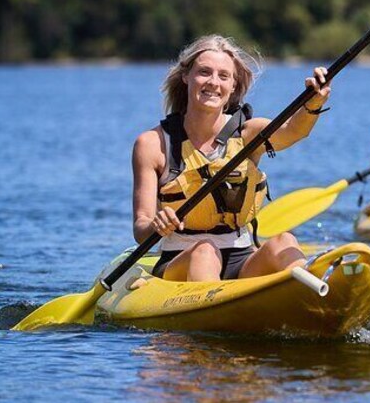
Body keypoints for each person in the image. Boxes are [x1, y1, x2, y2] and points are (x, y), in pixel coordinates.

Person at [132, 35, 331, 282]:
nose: (213, 82)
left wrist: (313, 103)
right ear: (186, 77)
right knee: (205, 251)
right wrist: (156, 225)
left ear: (233, 86)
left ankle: (317, 299)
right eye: (204, 72)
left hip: (241, 259)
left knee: (284, 241)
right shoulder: (152, 144)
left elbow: (293, 131)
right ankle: (209, 315)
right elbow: (141, 230)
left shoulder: (248, 134)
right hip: (180, 261)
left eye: (223, 76)